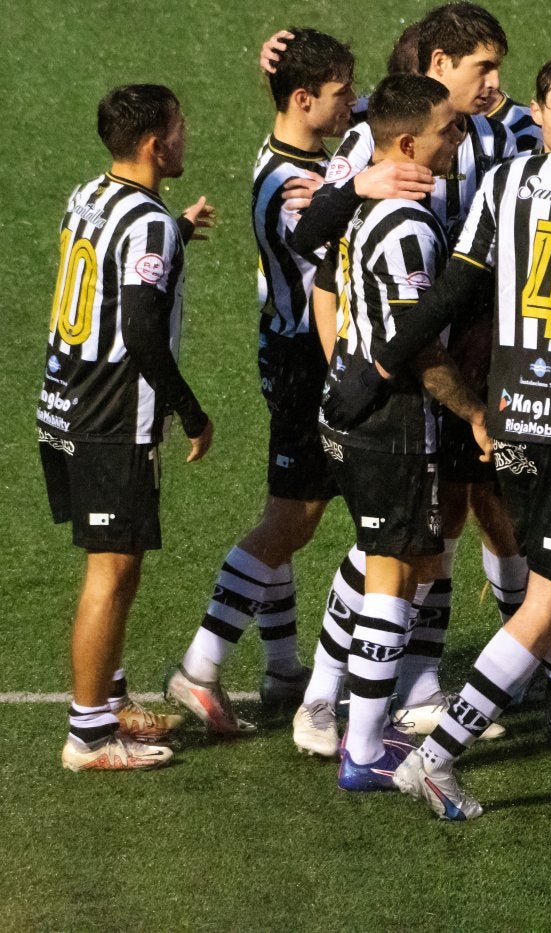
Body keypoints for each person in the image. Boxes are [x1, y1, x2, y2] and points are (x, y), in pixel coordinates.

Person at [372, 53, 551, 821]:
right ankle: (437, 759)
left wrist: (388, 353)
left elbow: (458, 287)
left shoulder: (501, 181)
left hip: (514, 414)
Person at [285, 3, 526, 757]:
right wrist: (356, 368)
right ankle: (325, 693)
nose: (494, 83)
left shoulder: (484, 134)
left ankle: (419, 684)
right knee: (384, 540)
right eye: (482, 68)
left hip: (456, 365)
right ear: (438, 68)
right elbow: (323, 261)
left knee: (437, 523)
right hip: (403, 374)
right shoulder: (371, 139)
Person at [165, 28, 356, 736]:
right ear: (303, 99)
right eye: (340, 94)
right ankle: (200, 665)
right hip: (308, 359)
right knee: (291, 520)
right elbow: (321, 240)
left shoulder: (293, 150)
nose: (352, 106)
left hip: (286, 349)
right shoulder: (294, 185)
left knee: (289, 513)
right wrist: (358, 189)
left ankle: (281, 670)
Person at [316, 72, 487, 791]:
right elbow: (421, 347)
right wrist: (476, 412)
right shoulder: (410, 225)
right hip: (388, 423)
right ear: (411, 141)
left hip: (348, 408)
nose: (461, 136)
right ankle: (363, 749)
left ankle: (357, 720)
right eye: (450, 128)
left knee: (392, 560)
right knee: (392, 571)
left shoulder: (370, 203)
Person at [40, 84, 216, 770]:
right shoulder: (148, 223)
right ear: (153, 144)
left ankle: (109, 701)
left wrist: (174, 230)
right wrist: (191, 410)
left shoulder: (91, 194)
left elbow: (118, 265)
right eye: (178, 128)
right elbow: (142, 330)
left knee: (121, 562)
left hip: (64, 399)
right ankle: (88, 735)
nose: (184, 137)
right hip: (109, 414)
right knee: (109, 571)